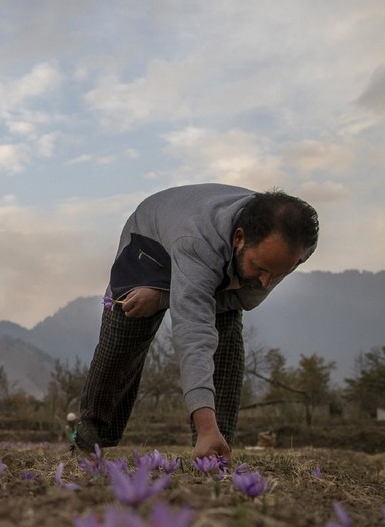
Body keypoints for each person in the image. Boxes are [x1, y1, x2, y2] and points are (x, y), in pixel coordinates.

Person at [72, 184, 319, 460]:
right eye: (260, 268)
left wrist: (162, 298)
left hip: (208, 260)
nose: (265, 282)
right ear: (239, 238)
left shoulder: (296, 245)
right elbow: (194, 338)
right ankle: (89, 439)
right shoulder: (199, 242)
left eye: (277, 274)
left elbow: (244, 299)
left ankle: (215, 446)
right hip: (150, 247)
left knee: (224, 331)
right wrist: (167, 297)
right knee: (122, 340)